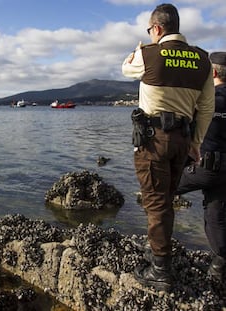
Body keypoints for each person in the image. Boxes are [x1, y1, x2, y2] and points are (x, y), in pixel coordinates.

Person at [121, 3, 215, 291]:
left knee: (156, 203)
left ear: (157, 28)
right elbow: (207, 108)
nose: (150, 35)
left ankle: (160, 270)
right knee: (168, 198)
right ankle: (159, 250)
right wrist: (196, 143)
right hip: (183, 140)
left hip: (154, 140)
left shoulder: (148, 54)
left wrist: (137, 48)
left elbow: (126, 69)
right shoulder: (202, 60)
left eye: (150, 30)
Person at [176, 52, 226, 282]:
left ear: (212, 73)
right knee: (215, 216)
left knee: (161, 190)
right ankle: (219, 268)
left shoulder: (204, 100)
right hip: (224, 172)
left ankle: (159, 251)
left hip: (204, 169)